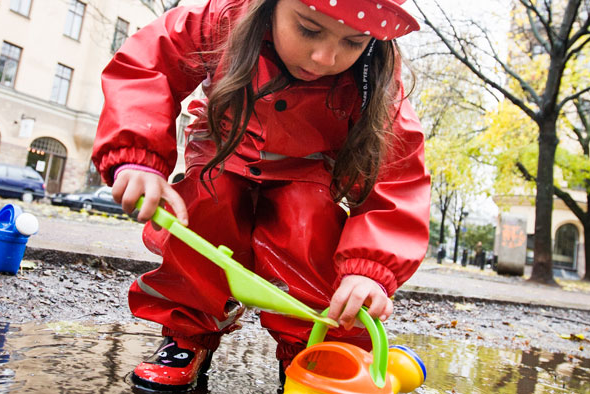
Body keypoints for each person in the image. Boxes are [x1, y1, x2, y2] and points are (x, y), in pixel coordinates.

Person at [92, 0, 429, 391]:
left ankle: (314, 351)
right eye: (308, 29)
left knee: (306, 228)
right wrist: (136, 154)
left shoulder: (377, 76)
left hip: (308, 173)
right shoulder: (221, 20)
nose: (324, 57)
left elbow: (397, 175)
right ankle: (186, 334)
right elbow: (150, 64)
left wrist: (370, 269)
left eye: (353, 42)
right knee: (205, 212)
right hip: (224, 149)